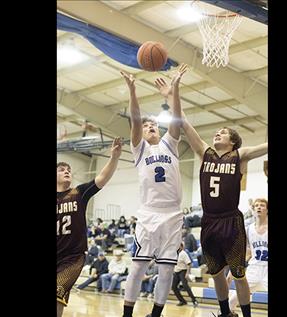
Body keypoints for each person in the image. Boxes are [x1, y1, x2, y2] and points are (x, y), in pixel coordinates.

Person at [155, 67, 267, 317]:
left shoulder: (240, 156)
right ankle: (226, 313)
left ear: (233, 142)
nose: (218, 133)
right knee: (216, 273)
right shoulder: (204, 153)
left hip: (231, 221)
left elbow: (264, 146)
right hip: (209, 221)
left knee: (238, 274)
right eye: (217, 132)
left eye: (223, 133)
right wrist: (170, 95)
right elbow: (182, 122)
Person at [119, 63, 187, 317]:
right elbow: (135, 119)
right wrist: (132, 90)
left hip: (172, 214)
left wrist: (176, 88)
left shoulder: (170, 144)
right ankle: (128, 314)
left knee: (167, 269)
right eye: (146, 126)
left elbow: (177, 116)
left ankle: (155, 315)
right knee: (137, 268)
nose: (149, 127)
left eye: (153, 125)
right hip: (148, 214)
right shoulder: (140, 150)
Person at [56, 137, 122, 317]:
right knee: (59, 297)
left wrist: (114, 157)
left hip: (72, 257)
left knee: (57, 290)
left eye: (69, 170)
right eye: (62, 170)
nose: (67, 171)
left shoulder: (79, 193)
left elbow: (101, 179)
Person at [227, 198, 268, 311]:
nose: (259, 207)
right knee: (233, 300)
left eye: (262, 205)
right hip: (254, 268)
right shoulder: (248, 230)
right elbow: (244, 253)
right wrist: (232, 271)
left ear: (267, 209)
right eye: (257, 205)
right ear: (253, 210)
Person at [172, 242, 199, 307]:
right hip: (176, 271)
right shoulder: (175, 253)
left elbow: (188, 264)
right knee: (173, 287)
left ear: (181, 247)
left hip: (183, 271)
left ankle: (194, 300)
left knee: (185, 286)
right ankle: (182, 301)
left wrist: (187, 273)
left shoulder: (184, 254)